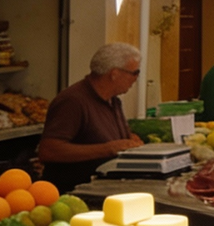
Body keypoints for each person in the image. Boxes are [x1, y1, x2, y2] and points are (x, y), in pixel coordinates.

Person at [38, 43, 144, 191]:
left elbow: (108, 138)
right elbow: (48, 151)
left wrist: (130, 141)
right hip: (74, 195)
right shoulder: (73, 101)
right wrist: (108, 149)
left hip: (106, 190)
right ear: (114, 73)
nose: (136, 79)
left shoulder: (113, 100)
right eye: (135, 72)